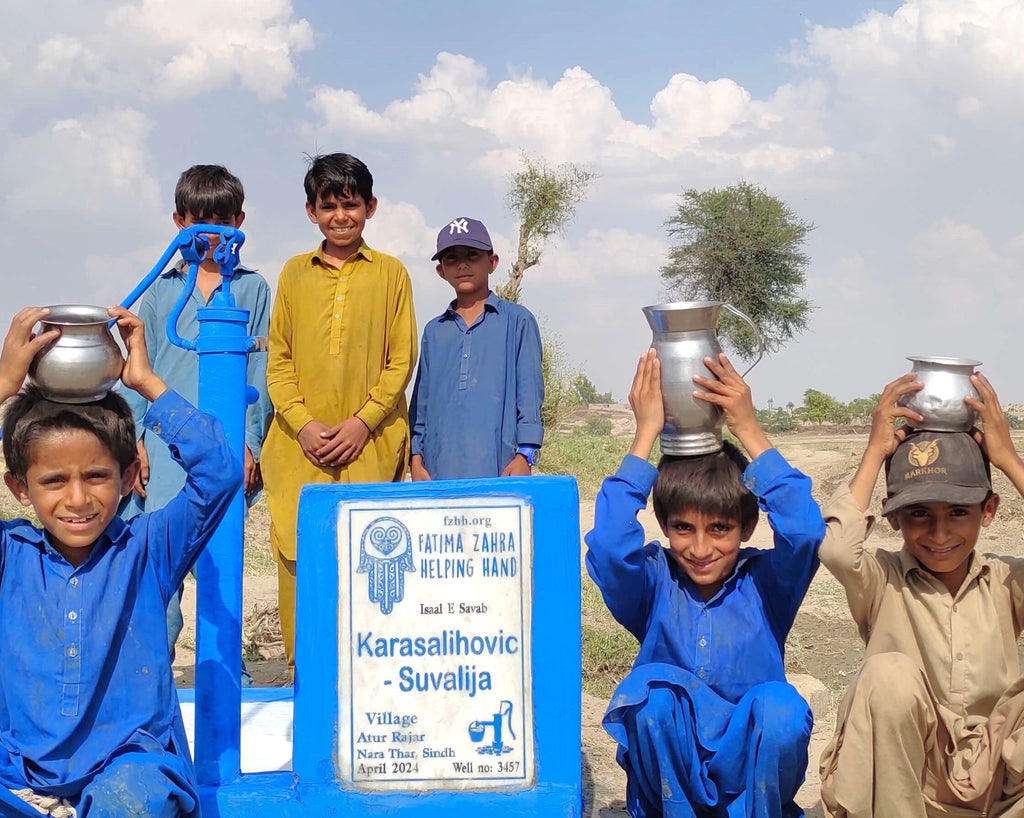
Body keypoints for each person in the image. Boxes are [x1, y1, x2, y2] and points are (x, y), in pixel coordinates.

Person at [0, 305, 241, 817]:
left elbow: (219, 472)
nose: (78, 499)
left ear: (131, 474)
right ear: (19, 487)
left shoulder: (149, 548)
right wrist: (4, 383)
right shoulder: (10, 556)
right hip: (18, 774)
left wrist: (146, 381)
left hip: (127, 768)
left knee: (131, 800)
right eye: (53, 481)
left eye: (96, 476)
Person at [585, 349, 825, 817]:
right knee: (652, 697)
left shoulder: (768, 584)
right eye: (682, 529)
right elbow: (611, 545)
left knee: (779, 706)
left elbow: (806, 530)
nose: (699, 549)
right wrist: (645, 434)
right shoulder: (654, 584)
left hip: (751, 783)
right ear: (664, 524)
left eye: (719, 529)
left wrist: (749, 430)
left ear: (747, 526)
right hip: (670, 785)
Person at [818, 372, 1024, 818]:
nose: (940, 533)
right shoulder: (881, 579)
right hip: (905, 780)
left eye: (958, 512)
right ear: (893, 517)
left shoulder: (1007, 580)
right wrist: (875, 452)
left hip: (995, 778)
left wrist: (1007, 459)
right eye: (918, 514)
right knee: (887, 676)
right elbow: (835, 548)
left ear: (988, 511)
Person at [261, 152, 417, 675]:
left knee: (371, 563)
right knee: (299, 559)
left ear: (370, 207)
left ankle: (372, 685)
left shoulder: (392, 274)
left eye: (351, 205)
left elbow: (401, 360)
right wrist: (303, 424)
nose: (340, 217)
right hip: (297, 447)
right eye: (329, 207)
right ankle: (302, 679)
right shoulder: (292, 274)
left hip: (369, 446)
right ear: (311, 212)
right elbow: (277, 360)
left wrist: (361, 423)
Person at [121, 164, 272, 665]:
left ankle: (226, 681)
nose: (211, 233)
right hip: (165, 450)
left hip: (225, 447)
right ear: (179, 222)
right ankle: (150, 678)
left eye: (222, 220)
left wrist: (250, 442)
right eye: (198, 221)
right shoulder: (162, 292)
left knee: (220, 570)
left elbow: (262, 368)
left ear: (240, 220)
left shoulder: (251, 289)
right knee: (159, 567)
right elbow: (141, 367)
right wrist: (133, 441)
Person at [409, 216, 544, 481]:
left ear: (492, 263)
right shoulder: (434, 331)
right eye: (451, 259)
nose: (462, 264)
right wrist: (416, 458)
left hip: (501, 466)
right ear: (441, 271)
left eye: (472, 255)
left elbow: (530, 395)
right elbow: (421, 404)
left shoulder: (517, 321)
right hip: (439, 469)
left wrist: (524, 455)